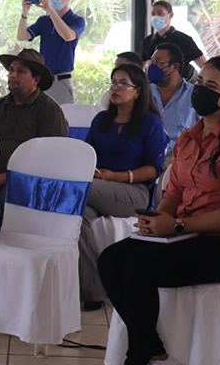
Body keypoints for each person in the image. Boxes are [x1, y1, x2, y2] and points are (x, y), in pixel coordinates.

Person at [98, 57, 220, 365]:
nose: (201, 89)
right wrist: (157, 220)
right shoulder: (189, 137)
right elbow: (174, 192)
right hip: (184, 232)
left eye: (211, 86)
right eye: (200, 82)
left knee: (138, 266)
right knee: (110, 260)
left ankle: (137, 354)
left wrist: (176, 225)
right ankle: (150, 342)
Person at [80, 64, 168, 311]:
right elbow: (88, 155)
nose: (115, 88)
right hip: (98, 188)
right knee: (79, 215)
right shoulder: (101, 120)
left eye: (122, 83)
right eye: (113, 82)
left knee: (79, 190)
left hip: (134, 192)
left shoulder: (149, 123)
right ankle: (92, 289)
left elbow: (154, 169)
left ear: (138, 91)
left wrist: (117, 176)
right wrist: (95, 172)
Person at [0, 48, 68, 236]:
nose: (12, 75)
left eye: (20, 71)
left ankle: (2, 252)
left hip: (28, 180)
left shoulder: (49, 110)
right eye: (11, 70)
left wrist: (5, 179)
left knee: (2, 202)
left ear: (36, 79)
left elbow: (50, 161)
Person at [18, 0, 86, 105]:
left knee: (65, 119)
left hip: (62, 80)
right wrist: (25, 13)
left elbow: (68, 36)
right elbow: (22, 36)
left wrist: (51, 11)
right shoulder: (44, 21)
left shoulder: (77, 20)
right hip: (43, 80)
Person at [148, 44, 197, 158]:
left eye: (159, 62)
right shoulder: (144, 93)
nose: (152, 67)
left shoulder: (194, 96)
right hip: (145, 159)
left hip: (178, 160)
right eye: (152, 62)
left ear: (174, 67)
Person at [141, 0, 207, 80]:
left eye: (160, 14)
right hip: (156, 85)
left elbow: (204, 65)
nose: (156, 17)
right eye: (153, 14)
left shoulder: (184, 40)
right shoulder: (148, 41)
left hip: (183, 85)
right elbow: (141, 67)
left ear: (171, 15)